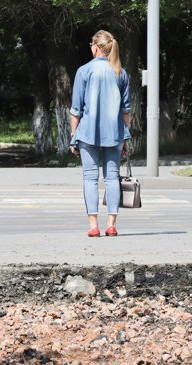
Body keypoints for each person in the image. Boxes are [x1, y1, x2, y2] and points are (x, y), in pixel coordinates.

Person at [69, 29, 131, 238]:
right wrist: (126, 137)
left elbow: (76, 109)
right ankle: (112, 225)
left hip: (87, 133)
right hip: (115, 133)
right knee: (112, 178)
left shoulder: (84, 71)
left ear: (95, 47)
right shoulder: (120, 72)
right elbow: (126, 110)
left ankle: (93, 225)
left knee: (90, 178)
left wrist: (72, 136)